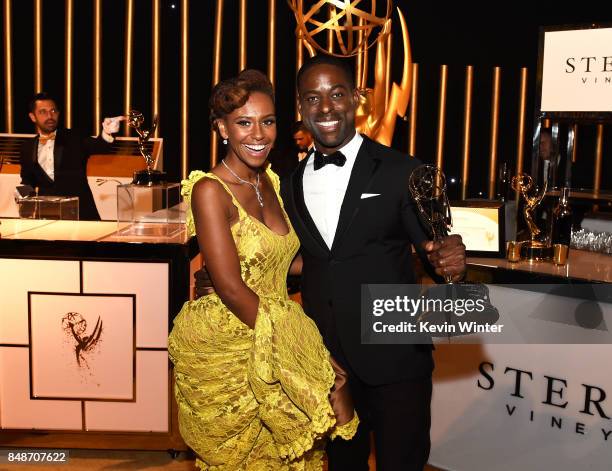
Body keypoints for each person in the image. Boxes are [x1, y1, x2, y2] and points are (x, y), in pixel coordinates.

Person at [279, 55, 467, 470]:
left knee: (402, 461)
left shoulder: (403, 170)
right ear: (300, 106)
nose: (325, 108)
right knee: (343, 463)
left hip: (396, 353)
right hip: (328, 361)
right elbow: (292, 262)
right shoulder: (288, 183)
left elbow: (435, 255)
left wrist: (451, 260)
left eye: (337, 94)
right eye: (313, 98)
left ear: (357, 99)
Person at [168, 69, 357, 471]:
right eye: (244, 122)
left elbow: (289, 261)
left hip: (274, 325)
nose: (258, 134)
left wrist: (363, 261)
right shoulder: (208, 190)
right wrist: (301, 353)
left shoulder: (270, 181)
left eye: (267, 122)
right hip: (233, 347)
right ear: (221, 127)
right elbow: (231, 288)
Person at [19, 92, 124, 220]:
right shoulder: (27, 147)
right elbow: (27, 181)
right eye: (42, 112)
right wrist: (24, 204)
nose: (50, 116)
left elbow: (99, 146)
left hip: (81, 214)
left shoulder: (74, 138)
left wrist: (107, 133)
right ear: (32, 117)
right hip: (46, 217)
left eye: (53, 111)